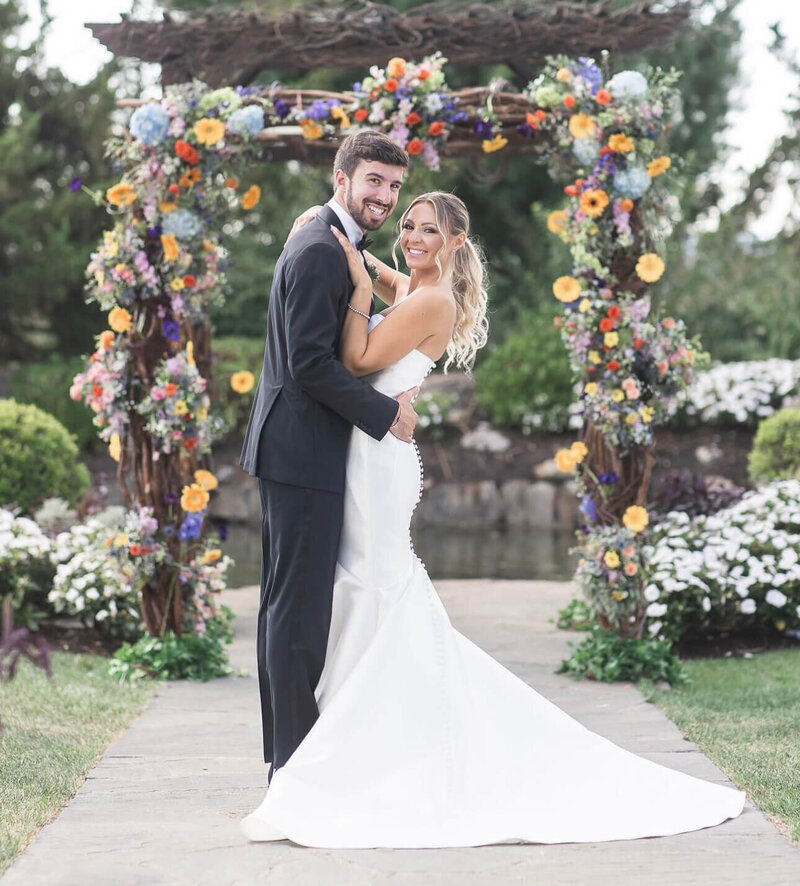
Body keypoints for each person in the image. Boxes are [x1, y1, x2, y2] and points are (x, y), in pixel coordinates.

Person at [242, 191, 745, 847]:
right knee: (362, 586)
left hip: (377, 461)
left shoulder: (430, 300)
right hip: (367, 455)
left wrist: (360, 281)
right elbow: (392, 277)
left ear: (454, 243)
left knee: (373, 585)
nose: (413, 236)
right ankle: (358, 738)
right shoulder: (422, 286)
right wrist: (339, 248)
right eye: (408, 225)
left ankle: (368, 746)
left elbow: (362, 359)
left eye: (428, 230)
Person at [238, 131, 418, 804]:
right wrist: (384, 414)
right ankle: (291, 764)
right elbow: (310, 364)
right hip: (302, 449)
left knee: (290, 606)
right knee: (298, 612)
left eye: (394, 186)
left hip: (299, 448)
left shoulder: (320, 237)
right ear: (342, 178)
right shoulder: (318, 248)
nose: (384, 196)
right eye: (374, 181)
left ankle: (286, 756)